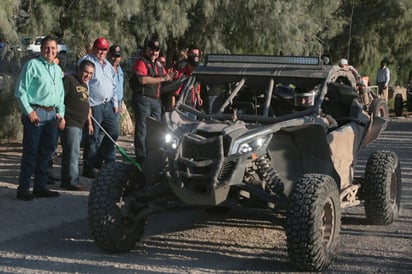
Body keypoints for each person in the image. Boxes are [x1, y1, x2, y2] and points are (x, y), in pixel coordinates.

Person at [14, 36, 65, 201]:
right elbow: (20, 91)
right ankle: (23, 189)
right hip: (35, 113)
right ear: (41, 48)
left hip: (52, 116)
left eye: (53, 48)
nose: (50, 51)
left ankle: (40, 187)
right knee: (31, 152)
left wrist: (61, 114)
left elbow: (60, 95)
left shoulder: (57, 70)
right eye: (47, 47)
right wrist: (29, 111)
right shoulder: (32, 65)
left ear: (57, 50)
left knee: (46, 153)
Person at [80, 37, 119, 178]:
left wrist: (115, 103)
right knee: (92, 138)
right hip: (94, 105)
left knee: (114, 132)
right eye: (99, 48)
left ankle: (98, 158)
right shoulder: (88, 62)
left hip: (107, 105)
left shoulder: (108, 65)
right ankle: (88, 167)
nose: (101, 52)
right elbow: (85, 84)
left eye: (104, 49)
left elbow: (113, 85)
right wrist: (87, 106)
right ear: (94, 48)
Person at [131, 39, 174, 164]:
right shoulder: (141, 62)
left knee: (156, 130)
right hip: (143, 99)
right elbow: (142, 80)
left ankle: (155, 156)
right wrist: (163, 78)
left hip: (156, 100)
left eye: (156, 50)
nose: (154, 53)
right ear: (146, 49)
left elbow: (168, 78)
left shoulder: (159, 64)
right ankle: (141, 157)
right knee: (142, 129)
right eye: (151, 50)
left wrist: (173, 77)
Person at [60, 59, 95, 191]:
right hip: (70, 121)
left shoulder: (85, 85)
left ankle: (66, 180)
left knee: (71, 152)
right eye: (86, 72)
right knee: (73, 153)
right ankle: (72, 181)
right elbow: (60, 98)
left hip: (81, 124)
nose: (88, 76)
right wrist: (61, 117)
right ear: (79, 69)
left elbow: (86, 105)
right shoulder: (69, 80)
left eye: (91, 74)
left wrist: (89, 122)